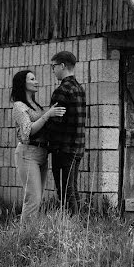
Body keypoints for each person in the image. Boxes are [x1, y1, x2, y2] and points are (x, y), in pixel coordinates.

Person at [10, 70, 65, 222]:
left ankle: (31, 235)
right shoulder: (19, 106)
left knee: (38, 199)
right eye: (32, 79)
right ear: (23, 83)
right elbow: (28, 131)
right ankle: (25, 238)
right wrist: (48, 115)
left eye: (36, 78)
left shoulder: (35, 105)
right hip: (27, 154)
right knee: (32, 199)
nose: (37, 82)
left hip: (42, 153)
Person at [46, 51, 86, 214]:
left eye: (53, 66)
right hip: (77, 146)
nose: (53, 70)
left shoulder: (61, 90)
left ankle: (71, 226)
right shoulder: (79, 88)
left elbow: (56, 122)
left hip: (63, 148)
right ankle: (78, 224)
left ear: (62, 66)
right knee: (72, 188)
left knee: (65, 190)